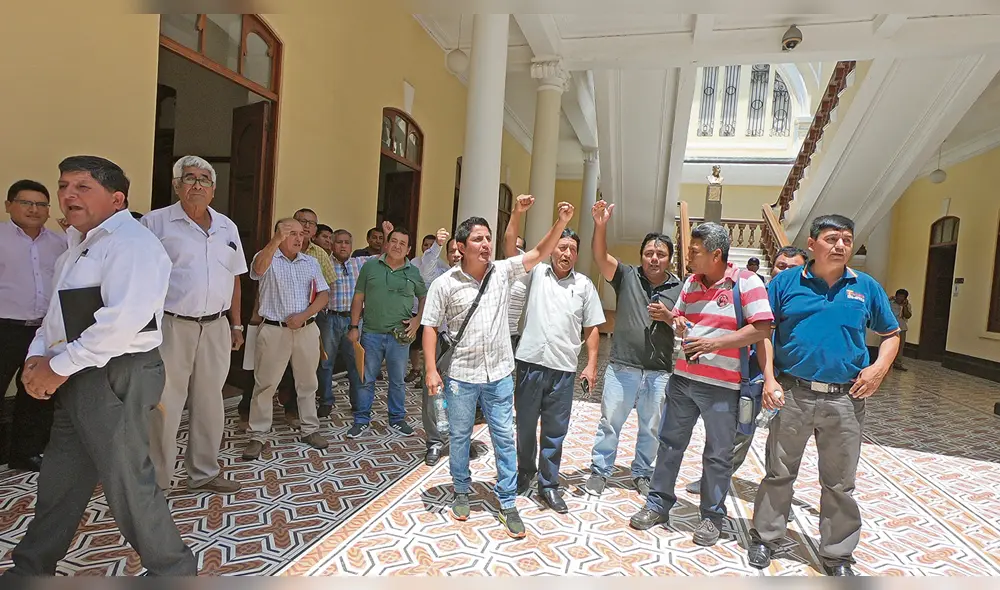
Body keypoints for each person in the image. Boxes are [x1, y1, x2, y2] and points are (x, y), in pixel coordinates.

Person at [4, 155, 196, 576]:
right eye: (64, 186)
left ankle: (173, 572)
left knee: (127, 481)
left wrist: (58, 367)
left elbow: (122, 322)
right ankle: (31, 568)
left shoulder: (133, 244)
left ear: (116, 198)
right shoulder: (77, 246)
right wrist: (39, 357)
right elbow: (55, 314)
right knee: (60, 478)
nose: (68, 195)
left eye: (82, 186)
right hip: (77, 370)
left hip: (116, 373)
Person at [747, 215, 900, 576]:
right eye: (832, 238)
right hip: (794, 394)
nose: (841, 245)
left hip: (845, 400)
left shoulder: (865, 287)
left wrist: (878, 369)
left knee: (840, 482)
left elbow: (891, 334)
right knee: (779, 472)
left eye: (847, 239)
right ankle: (766, 537)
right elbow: (763, 332)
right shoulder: (785, 283)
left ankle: (837, 554)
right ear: (813, 243)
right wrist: (769, 379)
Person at [421, 199, 575, 539]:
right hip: (461, 375)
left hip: (500, 375)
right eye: (477, 239)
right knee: (459, 436)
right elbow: (430, 326)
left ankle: (507, 501)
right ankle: (461, 490)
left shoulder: (502, 272)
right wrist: (432, 370)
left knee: (504, 437)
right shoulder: (444, 284)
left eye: (488, 238)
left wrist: (561, 222)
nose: (486, 244)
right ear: (460, 247)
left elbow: (537, 252)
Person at [630, 222, 772, 548]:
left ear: (716, 254)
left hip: (722, 388)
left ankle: (711, 516)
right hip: (682, 381)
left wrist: (714, 345)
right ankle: (657, 504)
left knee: (718, 455)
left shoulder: (746, 283)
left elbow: (761, 329)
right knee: (669, 444)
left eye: (694, 251)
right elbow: (681, 319)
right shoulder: (691, 282)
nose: (688, 256)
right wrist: (674, 319)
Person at [142, 155, 246, 494]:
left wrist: (237, 324)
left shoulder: (227, 227)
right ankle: (157, 481)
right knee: (165, 404)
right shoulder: (154, 224)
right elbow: (139, 278)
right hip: (172, 325)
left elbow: (235, 278)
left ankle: (204, 471)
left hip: (216, 326)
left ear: (214, 190)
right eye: (190, 178)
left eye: (204, 179)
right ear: (177, 185)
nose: (197, 184)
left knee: (210, 401)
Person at [503, 198, 604, 513]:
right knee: (525, 425)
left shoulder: (584, 286)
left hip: (562, 371)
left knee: (554, 430)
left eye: (572, 249)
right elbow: (509, 248)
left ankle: (549, 484)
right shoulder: (537, 275)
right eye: (561, 247)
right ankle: (524, 472)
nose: (567, 253)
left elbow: (592, 328)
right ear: (552, 250)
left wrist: (590, 365)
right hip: (531, 365)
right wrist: (518, 213)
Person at [684, 244, 808, 495]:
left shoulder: (804, 299)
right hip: (750, 373)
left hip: (786, 378)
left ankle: (779, 496)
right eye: (781, 266)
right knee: (738, 431)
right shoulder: (754, 289)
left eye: (793, 268)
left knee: (782, 442)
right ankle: (715, 478)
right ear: (772, 267)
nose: (785, 272)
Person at [583, 200, 683, 499]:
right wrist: (601, 225)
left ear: (669, 259)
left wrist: (670, 317)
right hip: (622, 366)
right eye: (649, 253)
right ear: (641, 256)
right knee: (610, 422)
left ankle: (642, 471)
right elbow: (600, 257)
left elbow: (686, 327)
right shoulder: (627, 276)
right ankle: (600, 470)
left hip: (658, 370)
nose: (654, 259)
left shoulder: (680, 288)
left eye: (661, 255)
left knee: (651, 427)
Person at [242, 218, 331, 460]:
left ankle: (310, 429)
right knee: (265, 385)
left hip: (306, 330)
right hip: (273, 330)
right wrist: (275, 241)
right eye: (291, 233)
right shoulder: (267, 256)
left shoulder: (310, 262)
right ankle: (258, 435)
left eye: (301, 234)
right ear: (279, 234)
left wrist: (304, 315)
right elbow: (257, 271)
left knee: (307, 383)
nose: (298, 238)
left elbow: (323, 294)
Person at [0, 180, 67, 473]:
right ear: (8, 206)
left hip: (43, 331)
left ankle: (26, 453)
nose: (34, 209)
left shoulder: (60, 242)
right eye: (26, 203)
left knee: (37, 393)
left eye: (41, 204)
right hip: (5, 329)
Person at [346, 226, 428, 437]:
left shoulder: (413, 272)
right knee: (366, 379)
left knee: (398, 380)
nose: (397, 246)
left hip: (400, 336)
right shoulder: (370, 267)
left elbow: (424, 297)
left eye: (403, 243)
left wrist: (418, 319)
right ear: (387, 243)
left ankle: (397, 419)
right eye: (394, 241)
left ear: (409, 249)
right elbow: (358, 298)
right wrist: (354, 326)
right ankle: (362, 419)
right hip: (371, 334)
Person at [405, 232, 451, 383]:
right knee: (414, 345)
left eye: (431, 245)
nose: (428, 248)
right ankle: (416, 369)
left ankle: (427, 374)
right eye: (426, 245)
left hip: (434, 314)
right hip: (415, 310)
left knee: (430, 346)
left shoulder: (442, 265)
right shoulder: (414, 263)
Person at [889, 288, 911, 371]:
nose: (900, 298)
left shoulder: (907, 305)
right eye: (899, 296)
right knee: (888, 345)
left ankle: (898, 363)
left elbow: (908, 315)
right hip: (890, 326)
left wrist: (904, 306)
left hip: (902, 327)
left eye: (902, 297)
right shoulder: (890, 303)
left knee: (900, 346)